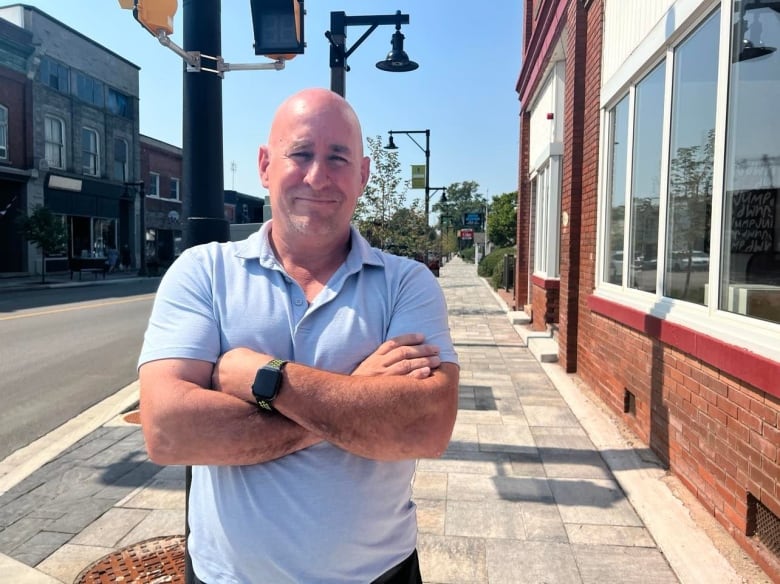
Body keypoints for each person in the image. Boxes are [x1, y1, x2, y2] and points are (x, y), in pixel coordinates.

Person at [137, 87, 459, 584]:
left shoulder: (406, 283)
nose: (318, 175)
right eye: (301, 154)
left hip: (378, 574)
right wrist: (360, 396)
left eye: (337, 157)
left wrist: (267, 381)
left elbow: (427, 428)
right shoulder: (203, 272)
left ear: (363, 175)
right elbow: (168, 431)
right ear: (265, 166)